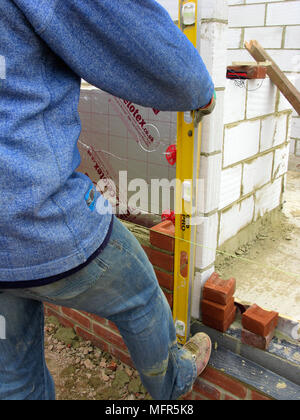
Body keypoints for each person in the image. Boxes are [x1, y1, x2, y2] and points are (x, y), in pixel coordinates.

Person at [0, 0, 215, 400]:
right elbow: (162, 61)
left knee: (12, 377)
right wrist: (199, 91)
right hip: (36, 223)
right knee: (143, 298)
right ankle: (173, 384)